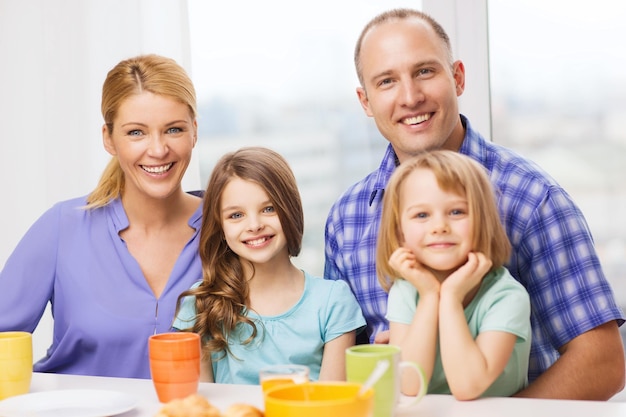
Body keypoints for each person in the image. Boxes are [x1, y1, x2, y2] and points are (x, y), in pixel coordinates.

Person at [324, 8, 625, 399]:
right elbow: (339, 361)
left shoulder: (533, 198)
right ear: (365, 101)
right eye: (387, 81)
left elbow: (601, 362)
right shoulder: (346, 219)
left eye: (425, 72)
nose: (410, 97)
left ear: (458, 78)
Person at [0, 54, 203, 378]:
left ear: (194, 130)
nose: (158, 149)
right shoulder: (62, 227)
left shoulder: (227, 229)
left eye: (173, 129)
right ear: (109, 138)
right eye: (136, 133)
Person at [173, 146, 365, 384]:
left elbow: (331, 403)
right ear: (220, 227)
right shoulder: (201, 305)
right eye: (236, 215)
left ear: (290, 211)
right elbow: (199, 405)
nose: (254, 225)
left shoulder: (333, 302)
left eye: (268, 209)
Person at [377, 150, 531, 399]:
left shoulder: (507, 296)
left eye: (457, 212)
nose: (439, 227)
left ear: (484, 221)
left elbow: (468, 386)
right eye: (422, 215)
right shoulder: (406, 291)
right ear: (400, 232)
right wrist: (429, 296)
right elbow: (409, 384)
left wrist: (449, 297)